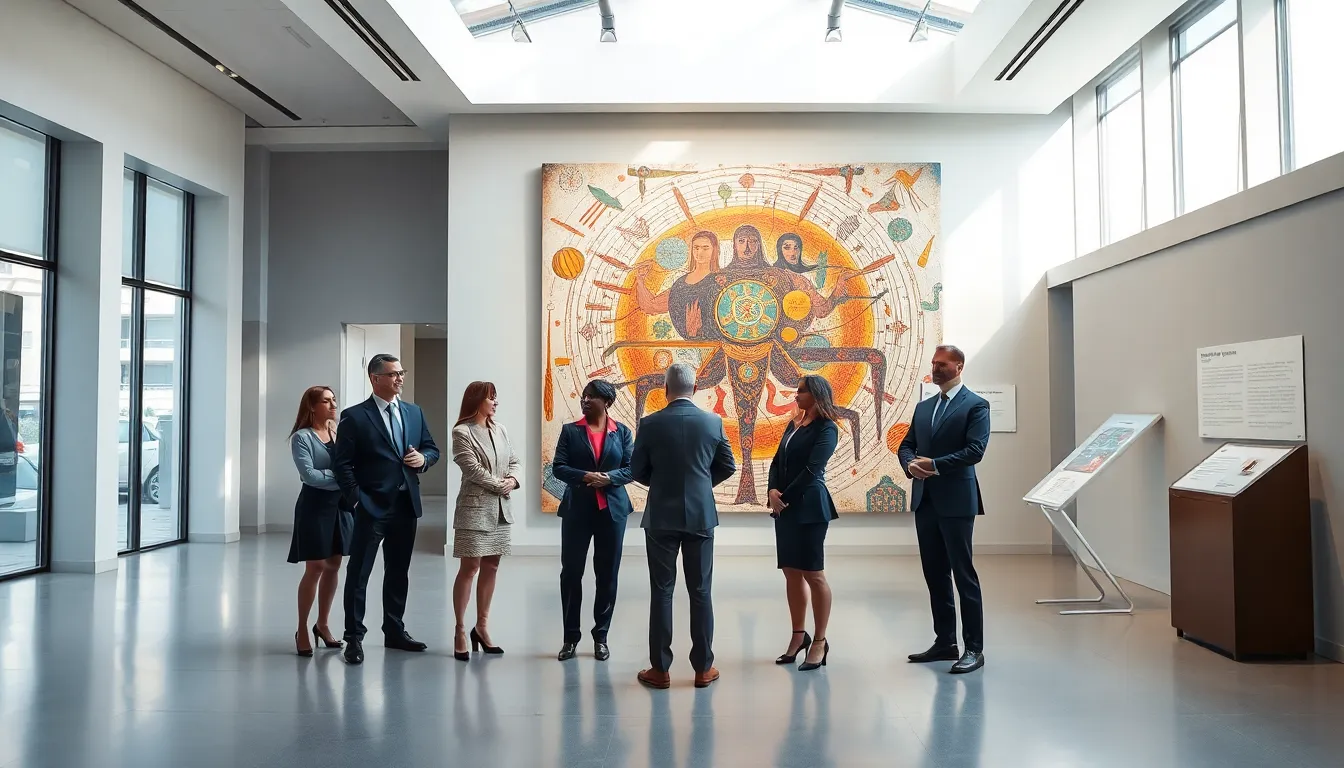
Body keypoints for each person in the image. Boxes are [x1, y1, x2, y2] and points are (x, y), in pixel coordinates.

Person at [631, 363, 736, 689]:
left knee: (662, 591)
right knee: (701, 591)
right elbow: (728, 465)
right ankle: (703, 669)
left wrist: (663, 484)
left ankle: (660, 670)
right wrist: (701, 485)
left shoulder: (649, 423)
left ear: (665, 389)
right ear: (696, 388)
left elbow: (636, 470)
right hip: (701, 516)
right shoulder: (713, 422)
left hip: (661, 516)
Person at [334, 354, 440, 665]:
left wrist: (423, 460)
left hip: (405, 505)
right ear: (375, 378)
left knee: (398, 572)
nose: (400, 378)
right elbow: (342, 464)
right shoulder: (355, 416)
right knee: (359, 573)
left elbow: (431, 448)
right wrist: (357, 499)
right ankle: (353, 637)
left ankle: (394, 631)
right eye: (393, 374)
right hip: (370, 507)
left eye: (401, 372)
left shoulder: (413, 412)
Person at [897, 344, 990, 674]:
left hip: (957, 501)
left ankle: (974, 648)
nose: (935, 369)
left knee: (964, 576)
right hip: (925, 501)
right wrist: (910, 464)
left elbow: (975, 450)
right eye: (934, 363)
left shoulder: (976, 405)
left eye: (942, 364)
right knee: (935, 574)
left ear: (959, 366)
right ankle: (945, 642)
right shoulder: (924, 407)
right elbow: (906, 445)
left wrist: (934, 465)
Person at [553, 379, 636, 662]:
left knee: (607, 574)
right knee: (571, 573)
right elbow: (559, 467)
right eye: (584, 396)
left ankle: (601, 637)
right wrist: (585, 476)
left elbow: (631, 469)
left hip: (612, 512)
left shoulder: (622, 432)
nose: (585, 400)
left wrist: (609, 478)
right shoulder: (570, 431)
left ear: (607, 402)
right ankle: (570, 638)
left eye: (592, 397)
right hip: (577, 510)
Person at [766, 375, 840, 672]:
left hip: (810, 507)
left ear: (816, 394)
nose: (795, 395)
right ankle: (799, 635)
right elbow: (776, 461)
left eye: (801, 391)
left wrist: (783, 498)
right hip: (784, 508)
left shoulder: (827, 428)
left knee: (814, 574)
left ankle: (820, 641)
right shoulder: (793, 423)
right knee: (791, 572)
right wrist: (772, 490)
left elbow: (812, 469)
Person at [450, 381, 520, 662]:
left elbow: (514, 460)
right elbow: (472, 468)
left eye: (496, 397)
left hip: (501, 510)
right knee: (469, 568)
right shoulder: (462, 432)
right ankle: (460, 629)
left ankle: (482, 626)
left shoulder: (500, 429)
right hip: (474, 510)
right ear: (477, 400)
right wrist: (500, 485)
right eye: (491, 398)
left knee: (492, 565)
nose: (495, 402)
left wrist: (513, 480)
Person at [287, 386, 353, 656]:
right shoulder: (301, 438)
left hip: (341, 506)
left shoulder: (338, 431)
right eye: (326, 401)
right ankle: (302, 628)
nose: (333, 405)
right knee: (315, 566)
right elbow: (310, 476)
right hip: (314, 506)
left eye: (334, 400)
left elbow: (352, 465)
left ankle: (322, 625)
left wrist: (345, 477)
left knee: (334, 565)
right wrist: (343, 479)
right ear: (312, 407)